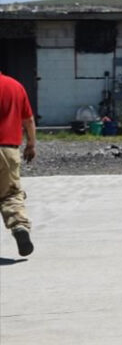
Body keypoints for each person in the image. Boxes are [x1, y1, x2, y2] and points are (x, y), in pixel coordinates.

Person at [0, 69, 36, 257]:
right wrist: (30, 144)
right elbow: (28, 120)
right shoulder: (15, 86)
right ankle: (20, 227)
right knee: (11, 194)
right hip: (8, 150)